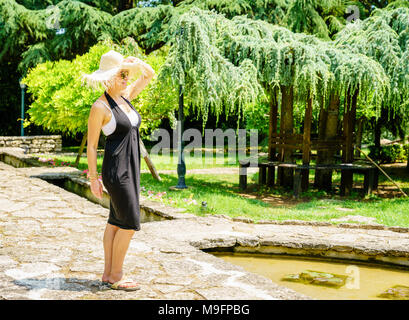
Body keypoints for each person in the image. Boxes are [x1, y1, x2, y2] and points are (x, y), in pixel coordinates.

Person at [82, 50, 155, 291]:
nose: (125, 79)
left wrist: (137, 64)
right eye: (120, 75)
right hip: (116, 172)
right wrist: (93, 178)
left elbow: (149, 75)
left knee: (115, 222)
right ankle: (117, 275)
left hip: (130, 169)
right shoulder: (100, 107)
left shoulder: (126, 98)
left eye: (125, 75)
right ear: (107, 78)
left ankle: (107, 273)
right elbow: (92, 146)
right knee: (130, 223)